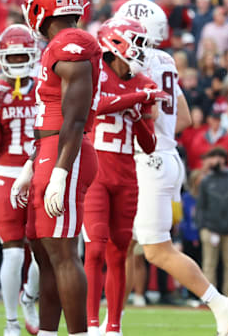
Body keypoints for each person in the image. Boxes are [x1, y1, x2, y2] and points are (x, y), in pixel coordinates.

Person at [115, 0, 228, 336]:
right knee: (123, 246)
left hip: (149, 160)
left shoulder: (138, 61)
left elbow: (150, 114)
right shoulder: (167, 60)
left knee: (155, 249)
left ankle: (219, 302)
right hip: (167, 158)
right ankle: (113, 323)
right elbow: (183, 118)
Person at [11, 0, 102, 336]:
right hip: (49, 151)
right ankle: (48, 332)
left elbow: (75, 117)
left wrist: (61, 170)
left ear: (41, 6)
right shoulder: (58, 44)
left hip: (66, 151)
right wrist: (32, 165)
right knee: (45, 255)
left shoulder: (72, 42)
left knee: (64, 254)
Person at [83, 17, 161, 336]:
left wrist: (138, 114)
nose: (141, 51)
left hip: (127, 174)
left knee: (119, 252)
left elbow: (150, 143)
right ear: (115, 42)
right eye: (136, 42)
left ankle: (113, 327)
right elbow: (97, 105)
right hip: (96, 172)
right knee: (95, 249)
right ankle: (89, 326)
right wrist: (135, 100)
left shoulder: (142, 82)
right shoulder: (97, 71)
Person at [0, 24, 41, 336]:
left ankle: (29, 297)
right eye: (14, 55)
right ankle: (10, 322)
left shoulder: (45, 86)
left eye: (24, 54)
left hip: (37, 172)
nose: (19, 60)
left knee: (43, 250)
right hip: (7, 174)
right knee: (13, 251)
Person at [197, 146, 228, 298]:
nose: (211, 161)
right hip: (211, 230)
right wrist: (204, 227)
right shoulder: (206, 181)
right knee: (209, 266)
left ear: (223, 159)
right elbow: (201, 207)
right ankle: (210, 300)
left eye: (215, 157)